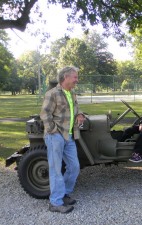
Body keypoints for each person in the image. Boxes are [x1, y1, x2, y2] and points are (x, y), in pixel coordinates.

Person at [40, 66, 85, 214]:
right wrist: (53, 131)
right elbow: (45, 114)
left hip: (69, 135)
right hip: (56, 136)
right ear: (65, 77)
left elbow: (75, 108)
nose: (77, 80)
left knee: (74, 167)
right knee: (56, 170)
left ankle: (63, 193)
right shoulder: (52, 93)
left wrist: (80, 115)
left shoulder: (71, 93)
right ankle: (55, 202)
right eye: (75, 77)